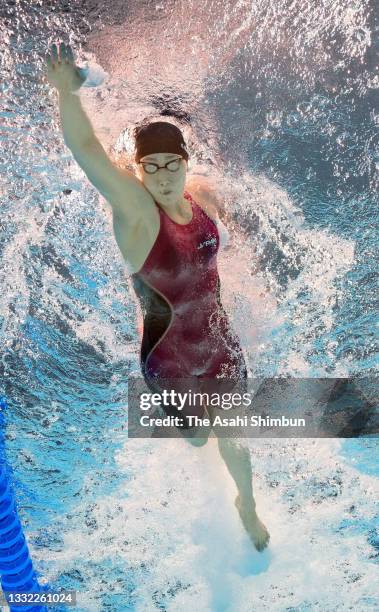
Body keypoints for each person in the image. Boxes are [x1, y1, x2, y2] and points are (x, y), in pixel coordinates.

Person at [46, 42, 270, 551]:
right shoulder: (138, 214)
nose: (164, 176)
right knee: (195, 437)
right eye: (152, 167)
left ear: (186, 163)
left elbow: (218, 250)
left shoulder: (203, 195)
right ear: (139, 171)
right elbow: (88, 155)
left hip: (219, 344)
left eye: (173, 164)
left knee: (233, 433)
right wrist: (67, 95)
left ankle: (248, 505)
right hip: (167, 360)